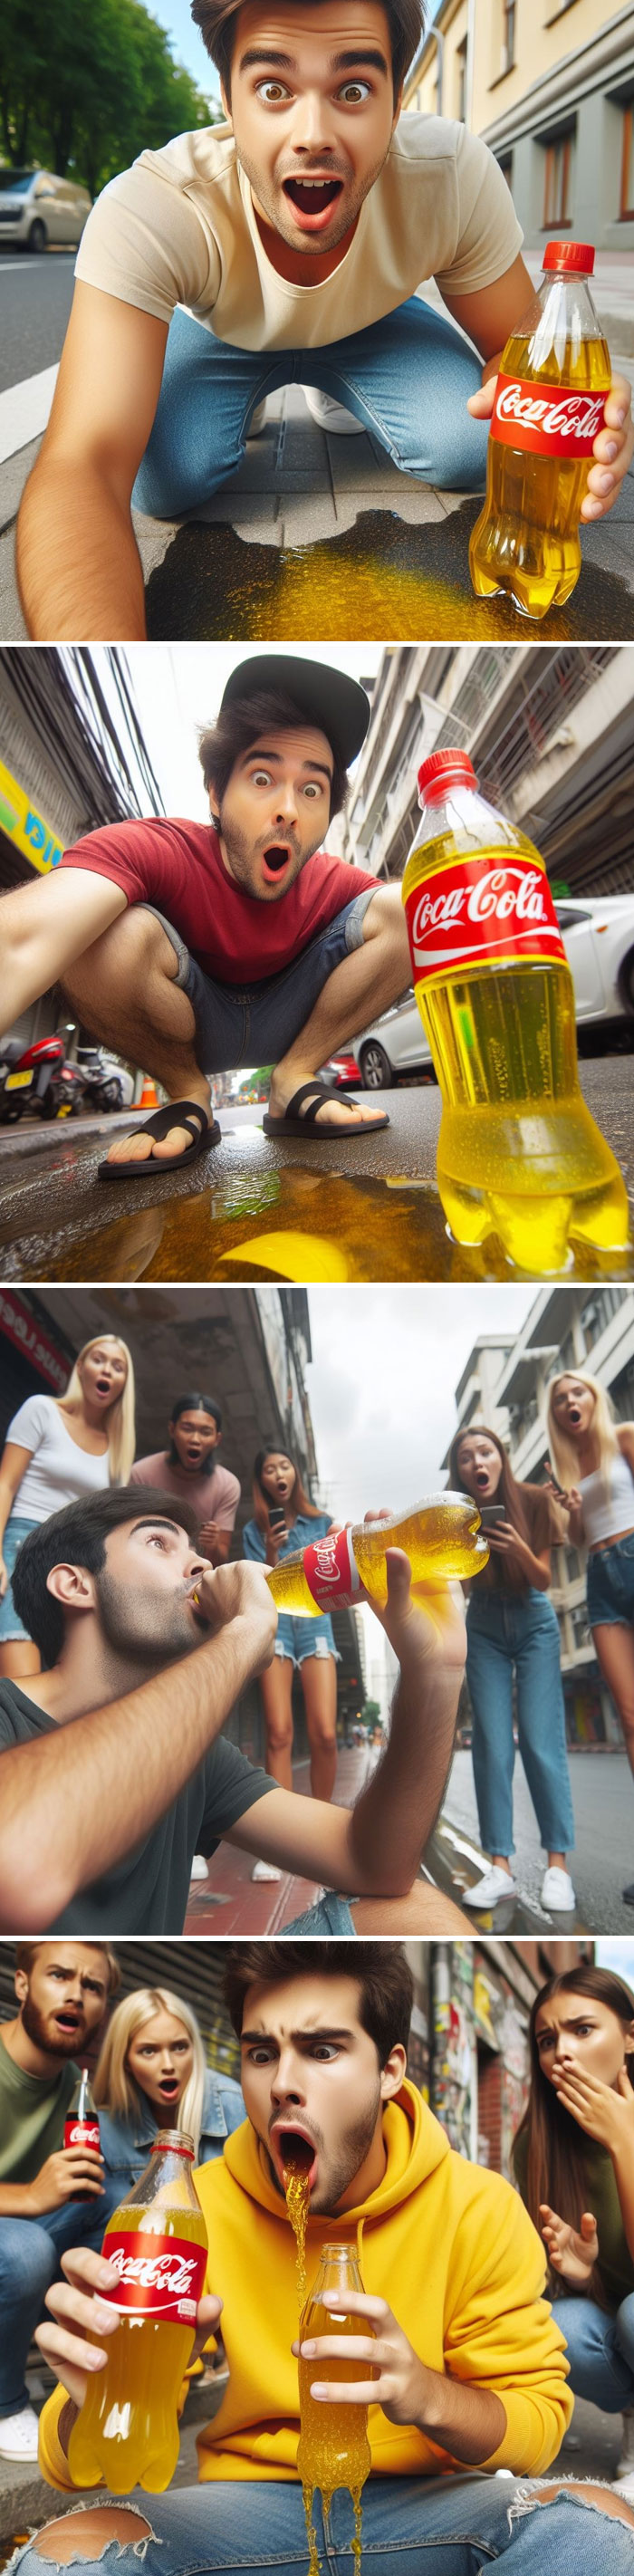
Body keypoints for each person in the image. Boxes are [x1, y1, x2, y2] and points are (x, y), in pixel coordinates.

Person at [14, 0, 633, 641]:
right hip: (224, 330)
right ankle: (252, 399)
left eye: (355, 88)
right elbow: (81, 463)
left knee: (475, 442)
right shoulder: (153, 204)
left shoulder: (453, 173)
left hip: (377, 325)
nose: (313, 134)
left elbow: (517, 354)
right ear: (228, 102)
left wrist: (580, 409)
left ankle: (337, 393)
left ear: (398, 103)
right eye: (273, 88)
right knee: (165, 482)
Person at [20, 1944, 634, 2576]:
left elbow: (537, 2428)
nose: (283, 2083)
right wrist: (98, 2393)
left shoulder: (476, 2205)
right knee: (63, 2558)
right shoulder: (193, 2209)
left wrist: (426, 2395)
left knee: (598, 2526)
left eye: (322, 2050)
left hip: (428, 2512)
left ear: (390, 2069)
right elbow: (73, 2469)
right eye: (262, 2054)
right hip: (247, 2512)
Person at [0, 655, 412, 1184]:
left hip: (292, 1022)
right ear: (216, 795)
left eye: (313, 790)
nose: (288, 808)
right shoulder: (155, 848)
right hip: (186, 1023)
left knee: (411, 905)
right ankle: (189, 1095)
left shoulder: (334, 882)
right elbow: (22, 940)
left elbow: (423, 933)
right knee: (100, 935)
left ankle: (294, 1078)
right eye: (262, 777)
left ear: (325, 819)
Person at [0, 1485, 471, 1939]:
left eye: (196, 1550)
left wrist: (434, 1674)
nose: (203, 1564)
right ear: (75, 1584)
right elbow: (20, 1863)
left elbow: (374, 1863)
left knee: (420, 1913)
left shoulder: (197, 1755)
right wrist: (244, 1634)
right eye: (159, 1542)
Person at [0, 1938, 121, 2465]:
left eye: (92, 1986)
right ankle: (4, 2403)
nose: (75, 1995)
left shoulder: (78, 2090)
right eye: (59, 1976)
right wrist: (30, 2195)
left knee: (113, 2199)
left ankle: (74, 2372)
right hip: (15, 2241)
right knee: (26, 2247)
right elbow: (32, 2210)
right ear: (23, 1983)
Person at [513, 1962, 634, 2489]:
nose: (561, 2051)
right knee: (564, 2322)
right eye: (547, 2039)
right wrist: (584, 2276)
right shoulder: (535, 2145)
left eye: (582, 2029)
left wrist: (624, 2142)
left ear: (630, 2037)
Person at [447, 1425, 575, 1915]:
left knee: (543, 1744)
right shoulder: (456, 1516)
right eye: (465, 1457)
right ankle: (499, 1867)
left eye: (485, 1452)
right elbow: (457, 1582)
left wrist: (515, 1546)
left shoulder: (536, 1501)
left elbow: (543, 1577)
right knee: (492, 1744)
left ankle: (558, 1867)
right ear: (459, 1470)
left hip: (533, 1618)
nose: (477, 1462)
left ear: (500, 1457)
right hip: (482, 1623)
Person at [546, 1370, 634, 1906]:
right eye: (559, 1399)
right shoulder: (569, 1469)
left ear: (593, 1397)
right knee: (628, 1718)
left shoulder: (625, 1438)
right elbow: (578, 1541)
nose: (569, 1402)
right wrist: (575, 1514)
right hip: (601, 1578)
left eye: (576, 1392)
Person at [0, 1336, 134, 1684]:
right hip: (21, 1548)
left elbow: (107, 1527)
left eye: (117, 1366)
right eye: (98, 1360)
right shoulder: (42, 1410)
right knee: (22, 1686)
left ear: (123, 1383)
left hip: (75, 1563)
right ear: (80, 1368)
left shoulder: (119, 1448)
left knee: (72, 1687)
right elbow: (5, 1484)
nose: (107, 1370)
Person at [243, 1445, 339, 1883]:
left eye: (284, 1466)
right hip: (276, 1625)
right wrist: (268, 1554)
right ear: (261, 1481)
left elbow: (335, 1577)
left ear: (295, 1474)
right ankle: (280, 1845)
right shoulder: (253, 1530)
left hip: (317, 1622)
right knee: (279, 1733)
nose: (278, 1473)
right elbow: (256, 1589)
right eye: (268, 1469)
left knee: (324, 1732)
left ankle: (322, 1833)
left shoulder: (323, 1523)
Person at [92, 1985, 245, 2186]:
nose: (168, 2065)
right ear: (126, 2061)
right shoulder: (105, 2131)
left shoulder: (234, 2106)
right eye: (149, 2051)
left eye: (179, 2047)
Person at [130, 1391, 240, 1564]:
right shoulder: (141, 1473)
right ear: (172, 1429)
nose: (195, 1439)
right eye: (187, 1429)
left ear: (217, 1439)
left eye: (205, 1432)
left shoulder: (227, 1485)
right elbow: (129, 1541)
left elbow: (220, 1561)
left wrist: (213, 1544)